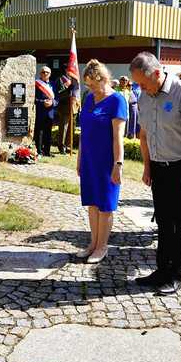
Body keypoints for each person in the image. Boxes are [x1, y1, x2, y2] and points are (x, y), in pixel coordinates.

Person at [131, 52, 181, 295]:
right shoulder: (145, 95)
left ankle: (177, 274)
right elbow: (143, 135)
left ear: (156, 73)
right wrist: (147, 167)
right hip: (158, 168)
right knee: (163, 222)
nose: (139, 88)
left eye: (142, 82)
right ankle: (162, 270)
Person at [76, 59, 128, 264]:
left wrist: (118, 164)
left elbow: (118, 137)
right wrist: (80, 158)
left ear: (103, 79)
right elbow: (84, 133)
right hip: (89, 159)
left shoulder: (117, 100)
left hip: (107, 161)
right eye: (87, 85)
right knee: (92, 203)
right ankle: (92, 243)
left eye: (92, 84)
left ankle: (102, 247)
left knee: (105, 205)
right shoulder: (90, 99)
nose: (90, 89)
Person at [54, 65, 78, 154]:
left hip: (74, 107)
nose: (71, 70)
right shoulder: (60, 79)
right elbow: (58, 94)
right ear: (65, 70)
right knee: (64, 128)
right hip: (64, 107)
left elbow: (77, 92)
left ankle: (69, 146)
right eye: (69, 69)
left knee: (72, 128)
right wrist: (67, 91)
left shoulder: (75, 79)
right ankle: (61, 146)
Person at [34, 66, 57, 156]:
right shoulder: (36, 84)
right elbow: (33, 98)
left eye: (47, 72)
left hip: (50, 112)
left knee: (48, 132)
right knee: (39, 132)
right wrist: (42, 102)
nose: (45, 74)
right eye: (43, 72)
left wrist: (52, 103)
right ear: (40, 73)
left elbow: (57, 98)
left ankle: (47, 151)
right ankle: (39, 151)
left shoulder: (53, 84)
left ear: (50, 74)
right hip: (40, 111)